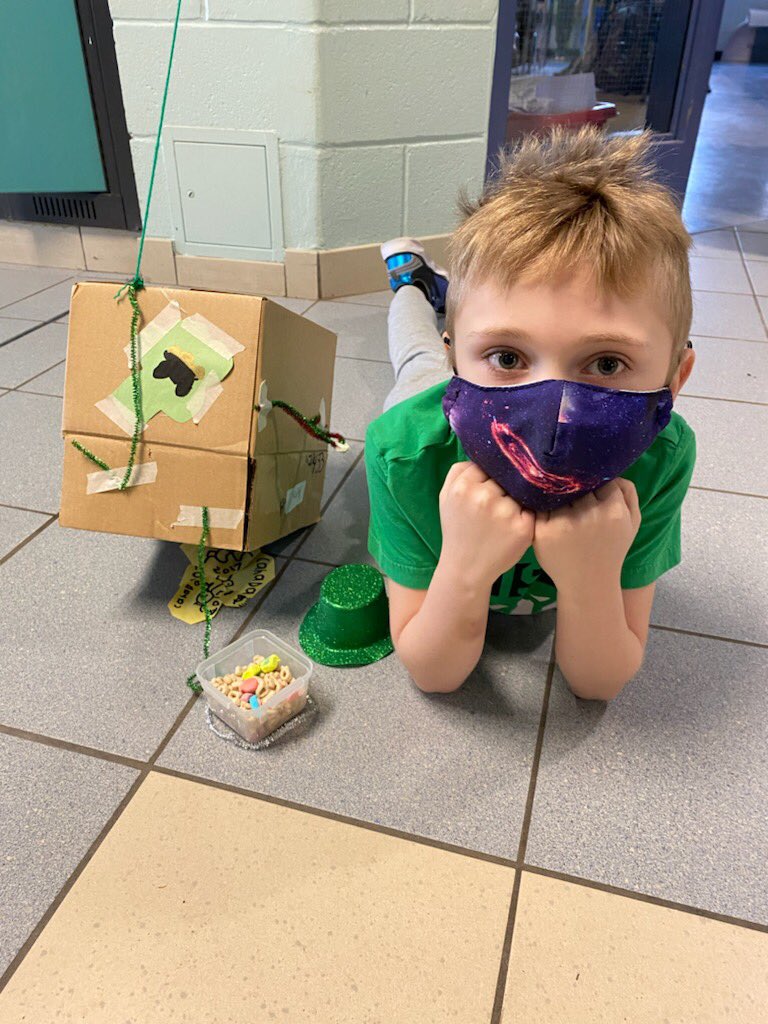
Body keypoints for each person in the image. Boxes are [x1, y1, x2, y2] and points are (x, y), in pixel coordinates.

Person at [364, 125, 696, 701]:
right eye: (510, 355)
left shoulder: (662, 455)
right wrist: (464, 568)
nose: (554, 416)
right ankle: (413, 286)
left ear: (673, 380)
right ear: (459, 360)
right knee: (413, 353)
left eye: (607, 363)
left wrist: (591, 579)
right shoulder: (402, 451)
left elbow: (597, 684)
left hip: (465, 356)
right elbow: (433, 674)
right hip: (432, 398)